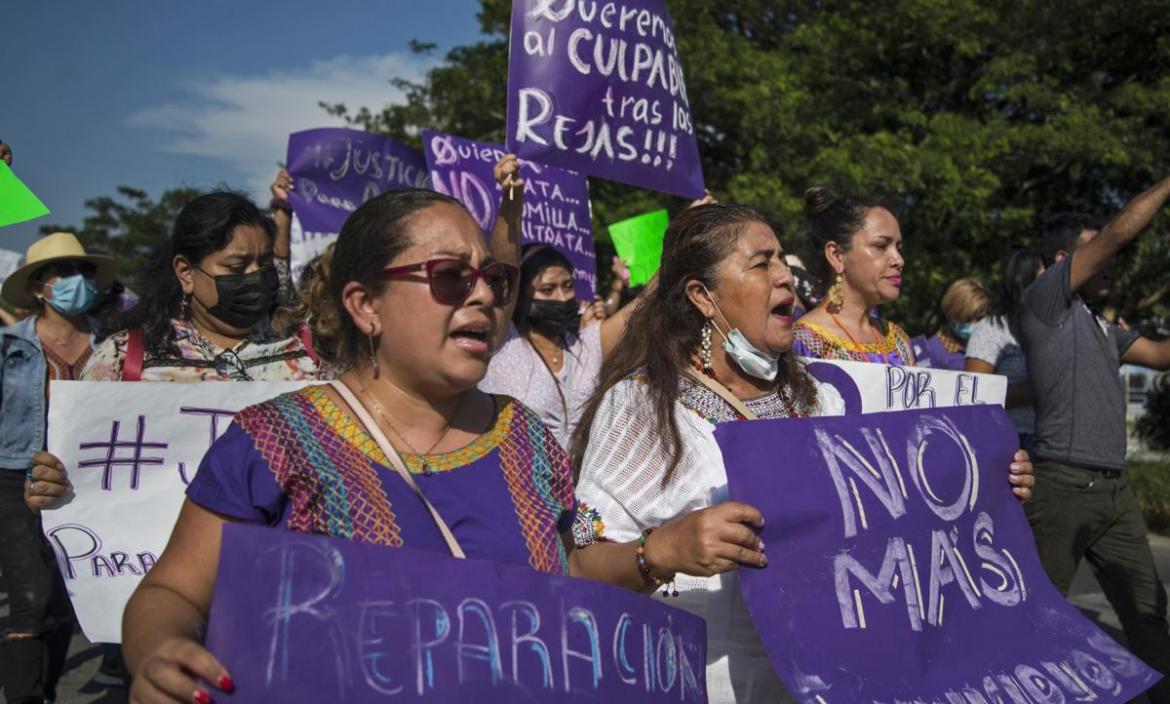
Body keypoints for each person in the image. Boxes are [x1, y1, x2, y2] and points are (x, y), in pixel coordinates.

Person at [569, 203, 1036, 703]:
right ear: (704, 297)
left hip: (824, 680)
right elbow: (582, 565)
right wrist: (662, 550)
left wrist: (983, 485)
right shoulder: (644, 406)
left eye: (783, 262)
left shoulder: (821, 400)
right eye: (762, 263)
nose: (786, 277)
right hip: (699, 679)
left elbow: (885, 528)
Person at [1017, 189, 1170, 702]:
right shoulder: (1044, 302)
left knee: (1149, 614)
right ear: (1063, 262)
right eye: (1095, 250)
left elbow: (1162, 355)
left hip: (1115, 493)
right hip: (1060, 486)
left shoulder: (1103, 327)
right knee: (1037, 621)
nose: (1112, 262)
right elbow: (1120, 233)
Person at [0, 232, 116, 704]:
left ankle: (44, 691)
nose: (77, 281)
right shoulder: (9, 346)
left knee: (68, 597)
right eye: (63, 273)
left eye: (84, 271)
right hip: (14, 478)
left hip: (85, 482)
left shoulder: (114, 344)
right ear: (38, 287)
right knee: (30, 600)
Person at [80, 191, 322, 382]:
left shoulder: (309, 356)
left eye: (265, 263)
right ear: (186, 273)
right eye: (237, 267)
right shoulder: (123, 358)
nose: (256, 276)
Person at [478, 244, 632, 447]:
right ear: (518, 294)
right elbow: (501, 265)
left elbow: (647, 304)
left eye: (568, 286)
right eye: (547, 290)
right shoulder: (502, 342)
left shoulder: (585, 344)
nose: (562, 298)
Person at [792, 187, 916, 364]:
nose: (899, 260)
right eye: (881, 246)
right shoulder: (803, 344)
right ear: (836, 256)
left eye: (899, 248)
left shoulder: (899, 342)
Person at [964, 250, 1043, 453]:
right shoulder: (993, 329)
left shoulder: (1049, 329)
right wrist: (1040, 391)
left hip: (1050, 441)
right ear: (1024, 283)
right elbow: (975, 394)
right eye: (1043, 278)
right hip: (1010, 440)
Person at [913, 277, 990, 369]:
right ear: (952, 315)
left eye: (979, 318)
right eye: (967, 319)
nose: (974, 324)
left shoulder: (988, 349)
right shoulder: (927, 352)